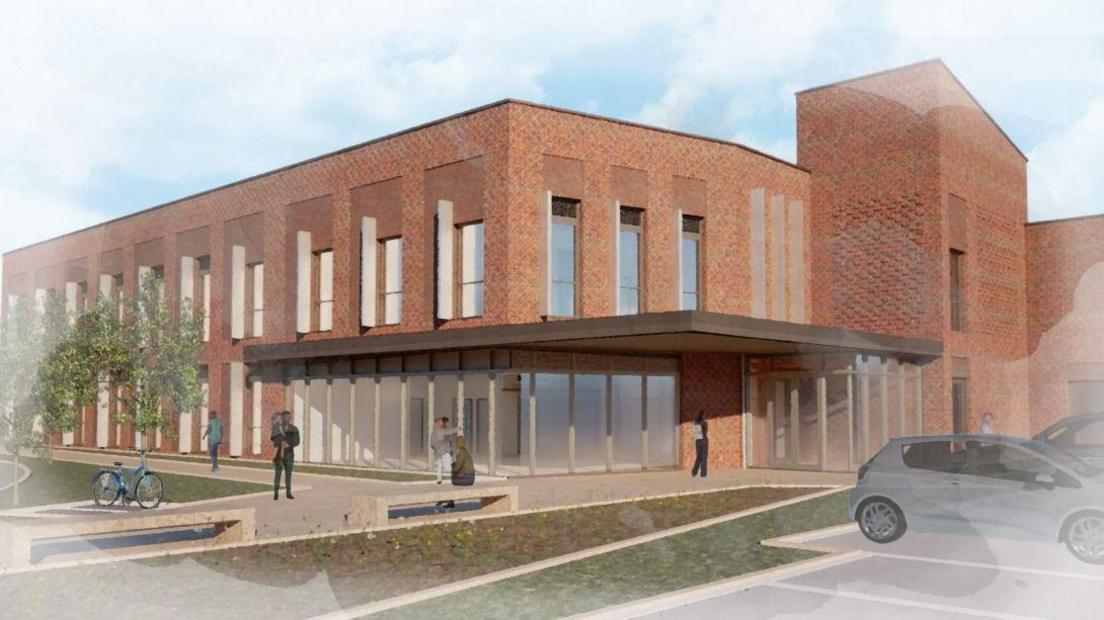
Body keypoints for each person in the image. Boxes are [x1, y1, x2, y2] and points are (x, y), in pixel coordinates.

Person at [272, 410, 296, 501]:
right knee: (277, 474)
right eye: (286, 417)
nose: (288, 419)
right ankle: (276, 493)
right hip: (279, 456)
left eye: (289, 417)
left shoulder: (292, 429)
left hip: (289, 456)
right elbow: (276, 443)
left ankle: (288, 493)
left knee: (288, 475)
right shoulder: (277, 429)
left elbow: (294, 441)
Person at [431, 416, 458, 485]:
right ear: (437, 423)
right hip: (444, 450)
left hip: (440, 451)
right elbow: (448, 432)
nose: (442, 423)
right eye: (440, 422)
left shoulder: (435, 431)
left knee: (440, 466)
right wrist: (458, 428)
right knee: (448, 466)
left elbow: (432, 443)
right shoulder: (439, 431)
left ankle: (439, 480)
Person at [691, 411, 708, 478]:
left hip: (698, 441)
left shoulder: (695, 423)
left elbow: (695, 434)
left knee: (698, 457)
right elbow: (705, 432)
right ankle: (703, 474)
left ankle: (694, 472)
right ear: (703, 416)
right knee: (704, 457)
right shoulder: (705, 423)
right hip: (704, 440)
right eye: (705, 415)